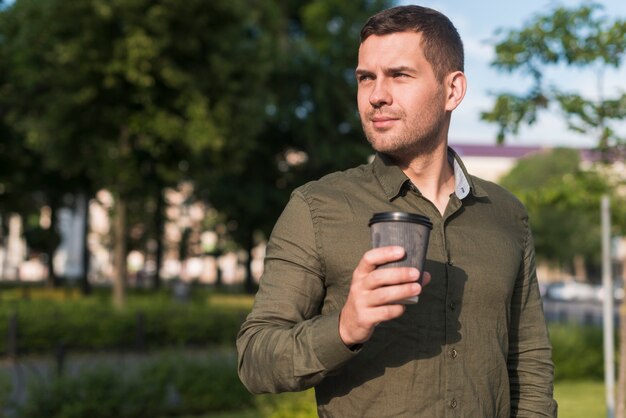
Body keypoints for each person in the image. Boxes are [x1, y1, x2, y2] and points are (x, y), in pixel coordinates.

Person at [237, 5, 558, 417]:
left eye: (399, 75)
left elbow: (529, 366)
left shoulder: (507, 214)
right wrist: (344, 328)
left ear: (453, 90)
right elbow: (254, 360)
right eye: (365, 78)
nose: (376, 95)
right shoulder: (316, 208)